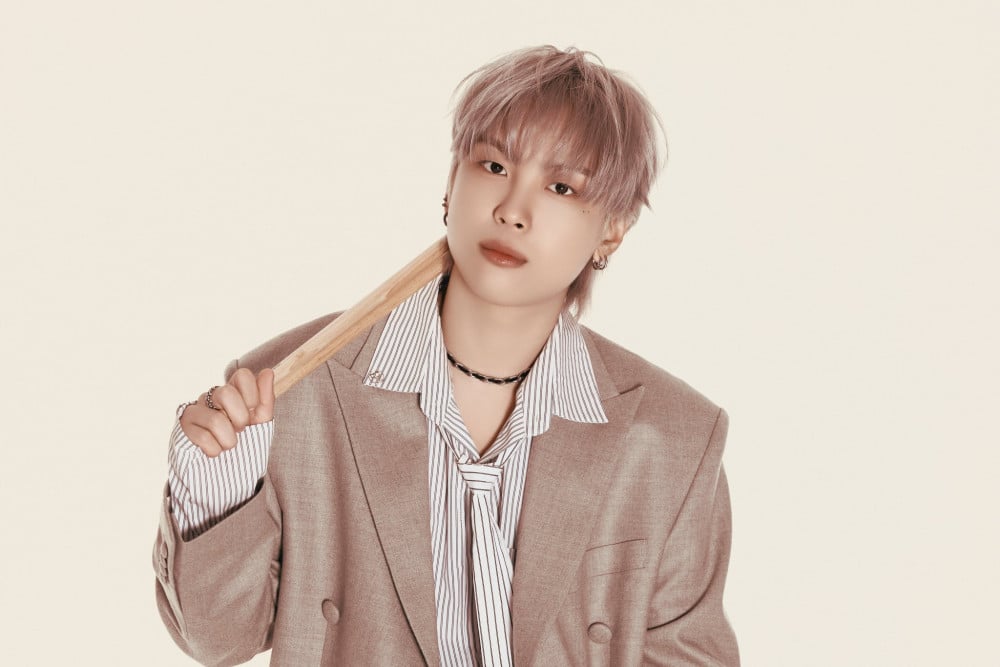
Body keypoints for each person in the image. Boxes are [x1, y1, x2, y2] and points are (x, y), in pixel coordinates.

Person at [153, 45, 739, 666]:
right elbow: (217, 641)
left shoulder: (674, 438)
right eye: (493, 165)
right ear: (451, 182)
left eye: (562, 186)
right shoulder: (292, 390)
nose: (512, 211)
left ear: (613, 229)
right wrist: (215, 481)